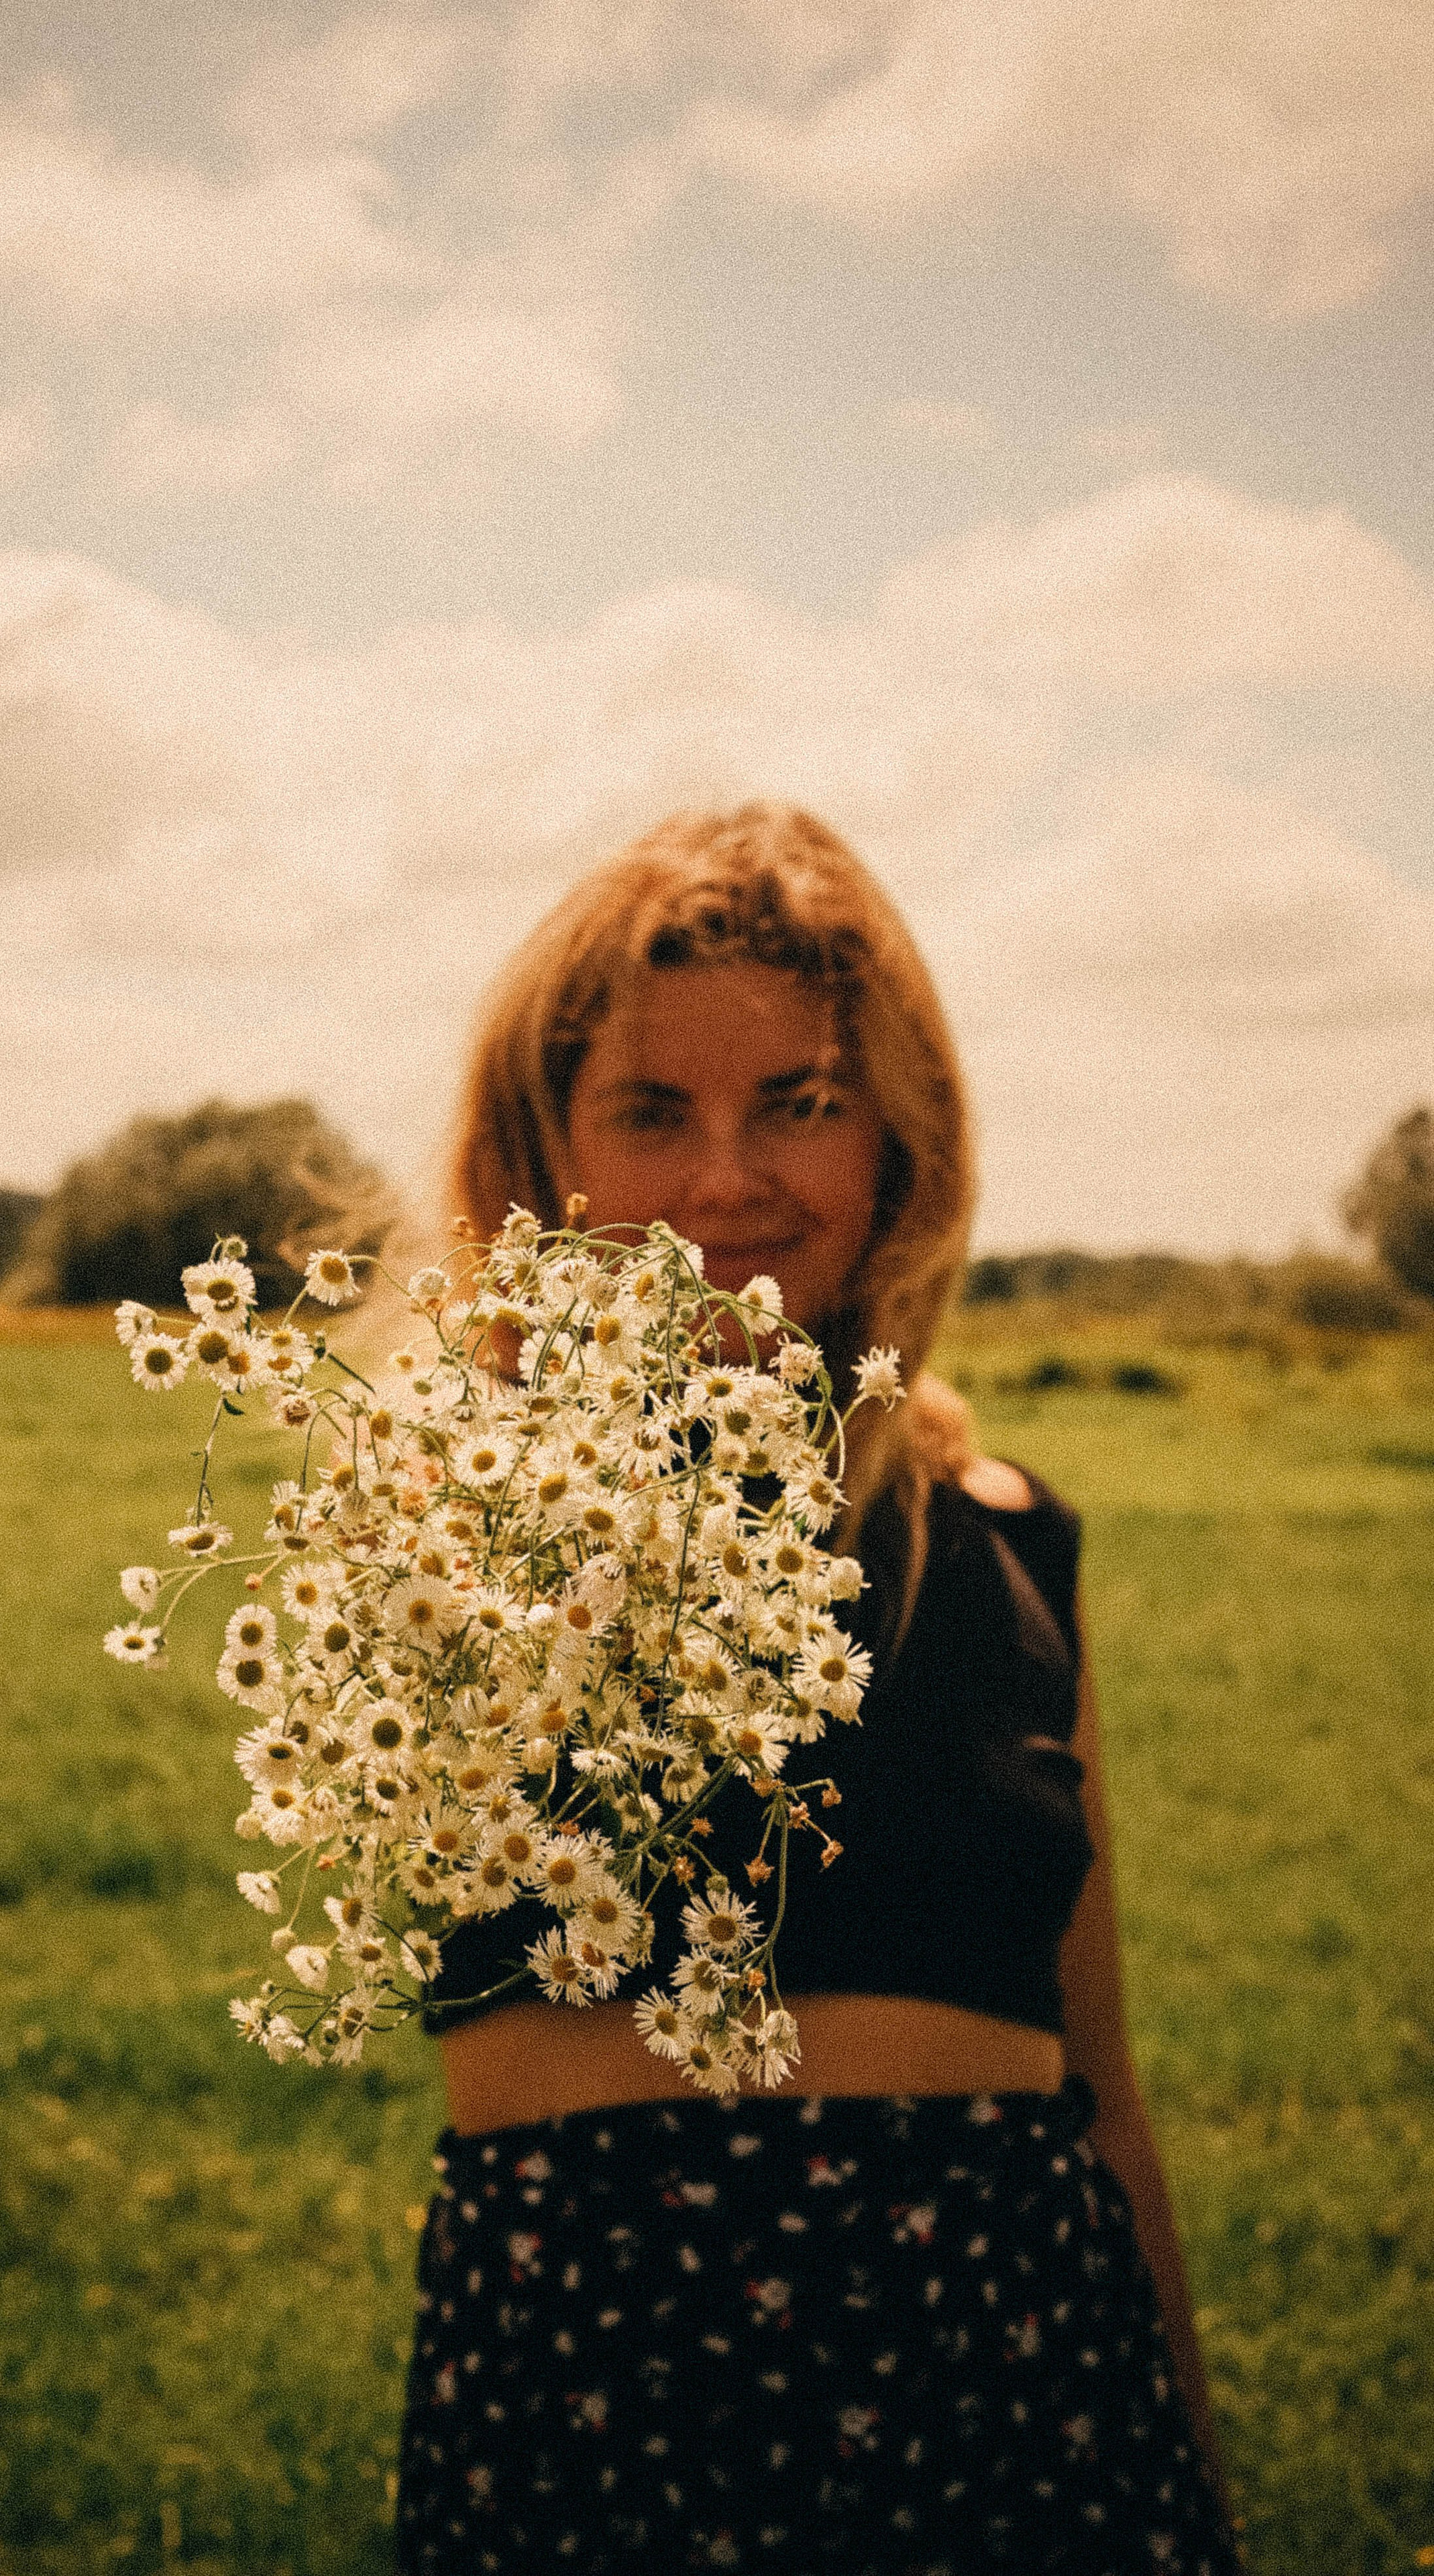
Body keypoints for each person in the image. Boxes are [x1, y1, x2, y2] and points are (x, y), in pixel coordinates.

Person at [394, 804, 1239, 2575]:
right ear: (547, 1160)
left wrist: (1204, 2505)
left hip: (1013, 2426)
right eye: (651, 1111)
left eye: (801, 1100)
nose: (729, 1182)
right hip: (596, 2434)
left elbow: (1107, 2095)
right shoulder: (447, 1522)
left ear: (899, 1142)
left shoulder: (1007, 1549)